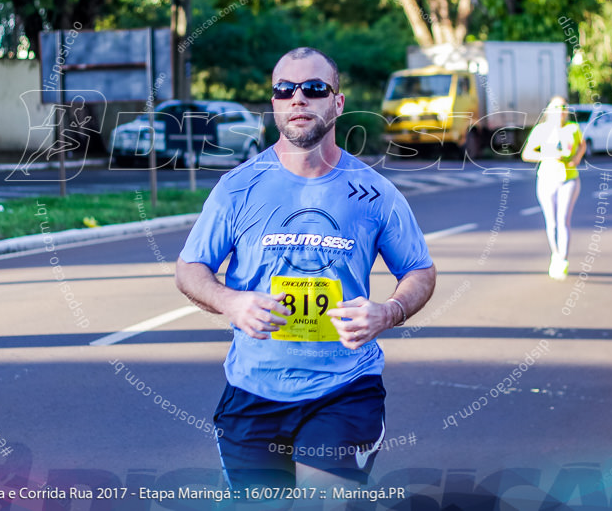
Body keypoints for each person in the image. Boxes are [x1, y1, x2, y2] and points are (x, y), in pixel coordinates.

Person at [175, 47, 437, 490]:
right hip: (252, 391)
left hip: (345, 388)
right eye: (285, 90)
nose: (298, 99)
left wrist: (388, 312)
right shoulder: (236, 188)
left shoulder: (375, 192)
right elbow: (189, 268)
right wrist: (230, 301)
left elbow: (419, 271)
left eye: (314, 88)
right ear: (274, 102)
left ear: (336, 102)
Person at [521, 97, 586, 280]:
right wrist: (547, 155)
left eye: (563, 107)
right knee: (552, 222)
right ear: (549, 110)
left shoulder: (572, 128)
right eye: (556, 107)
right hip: (547, 178)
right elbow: (527, 153)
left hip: (568, 178)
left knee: (563, 219)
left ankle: (563, 259)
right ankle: (555, 254)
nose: (560, 110)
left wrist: (576, 159)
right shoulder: (542, 130)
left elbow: (582, 145)